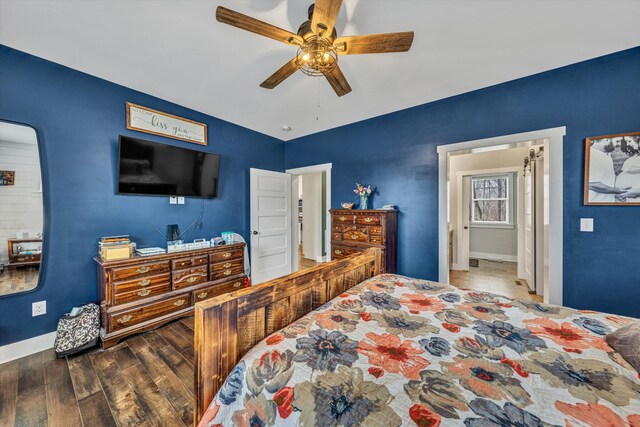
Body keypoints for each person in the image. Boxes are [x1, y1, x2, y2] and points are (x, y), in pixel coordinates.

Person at [588, 138, 625, 203]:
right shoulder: (592, 155)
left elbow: (607, 178)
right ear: (606, 140)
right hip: (595, 203)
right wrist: (617, 191)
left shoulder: (606, 155)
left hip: (606, 203)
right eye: (617, 141)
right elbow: (592, 184)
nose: (618, 144)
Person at [615, 136, 640, 202]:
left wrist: (637, 192)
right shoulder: (634, 157)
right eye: (626, 142)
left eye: (630, 141)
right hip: (628, 199)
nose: (628, 144)